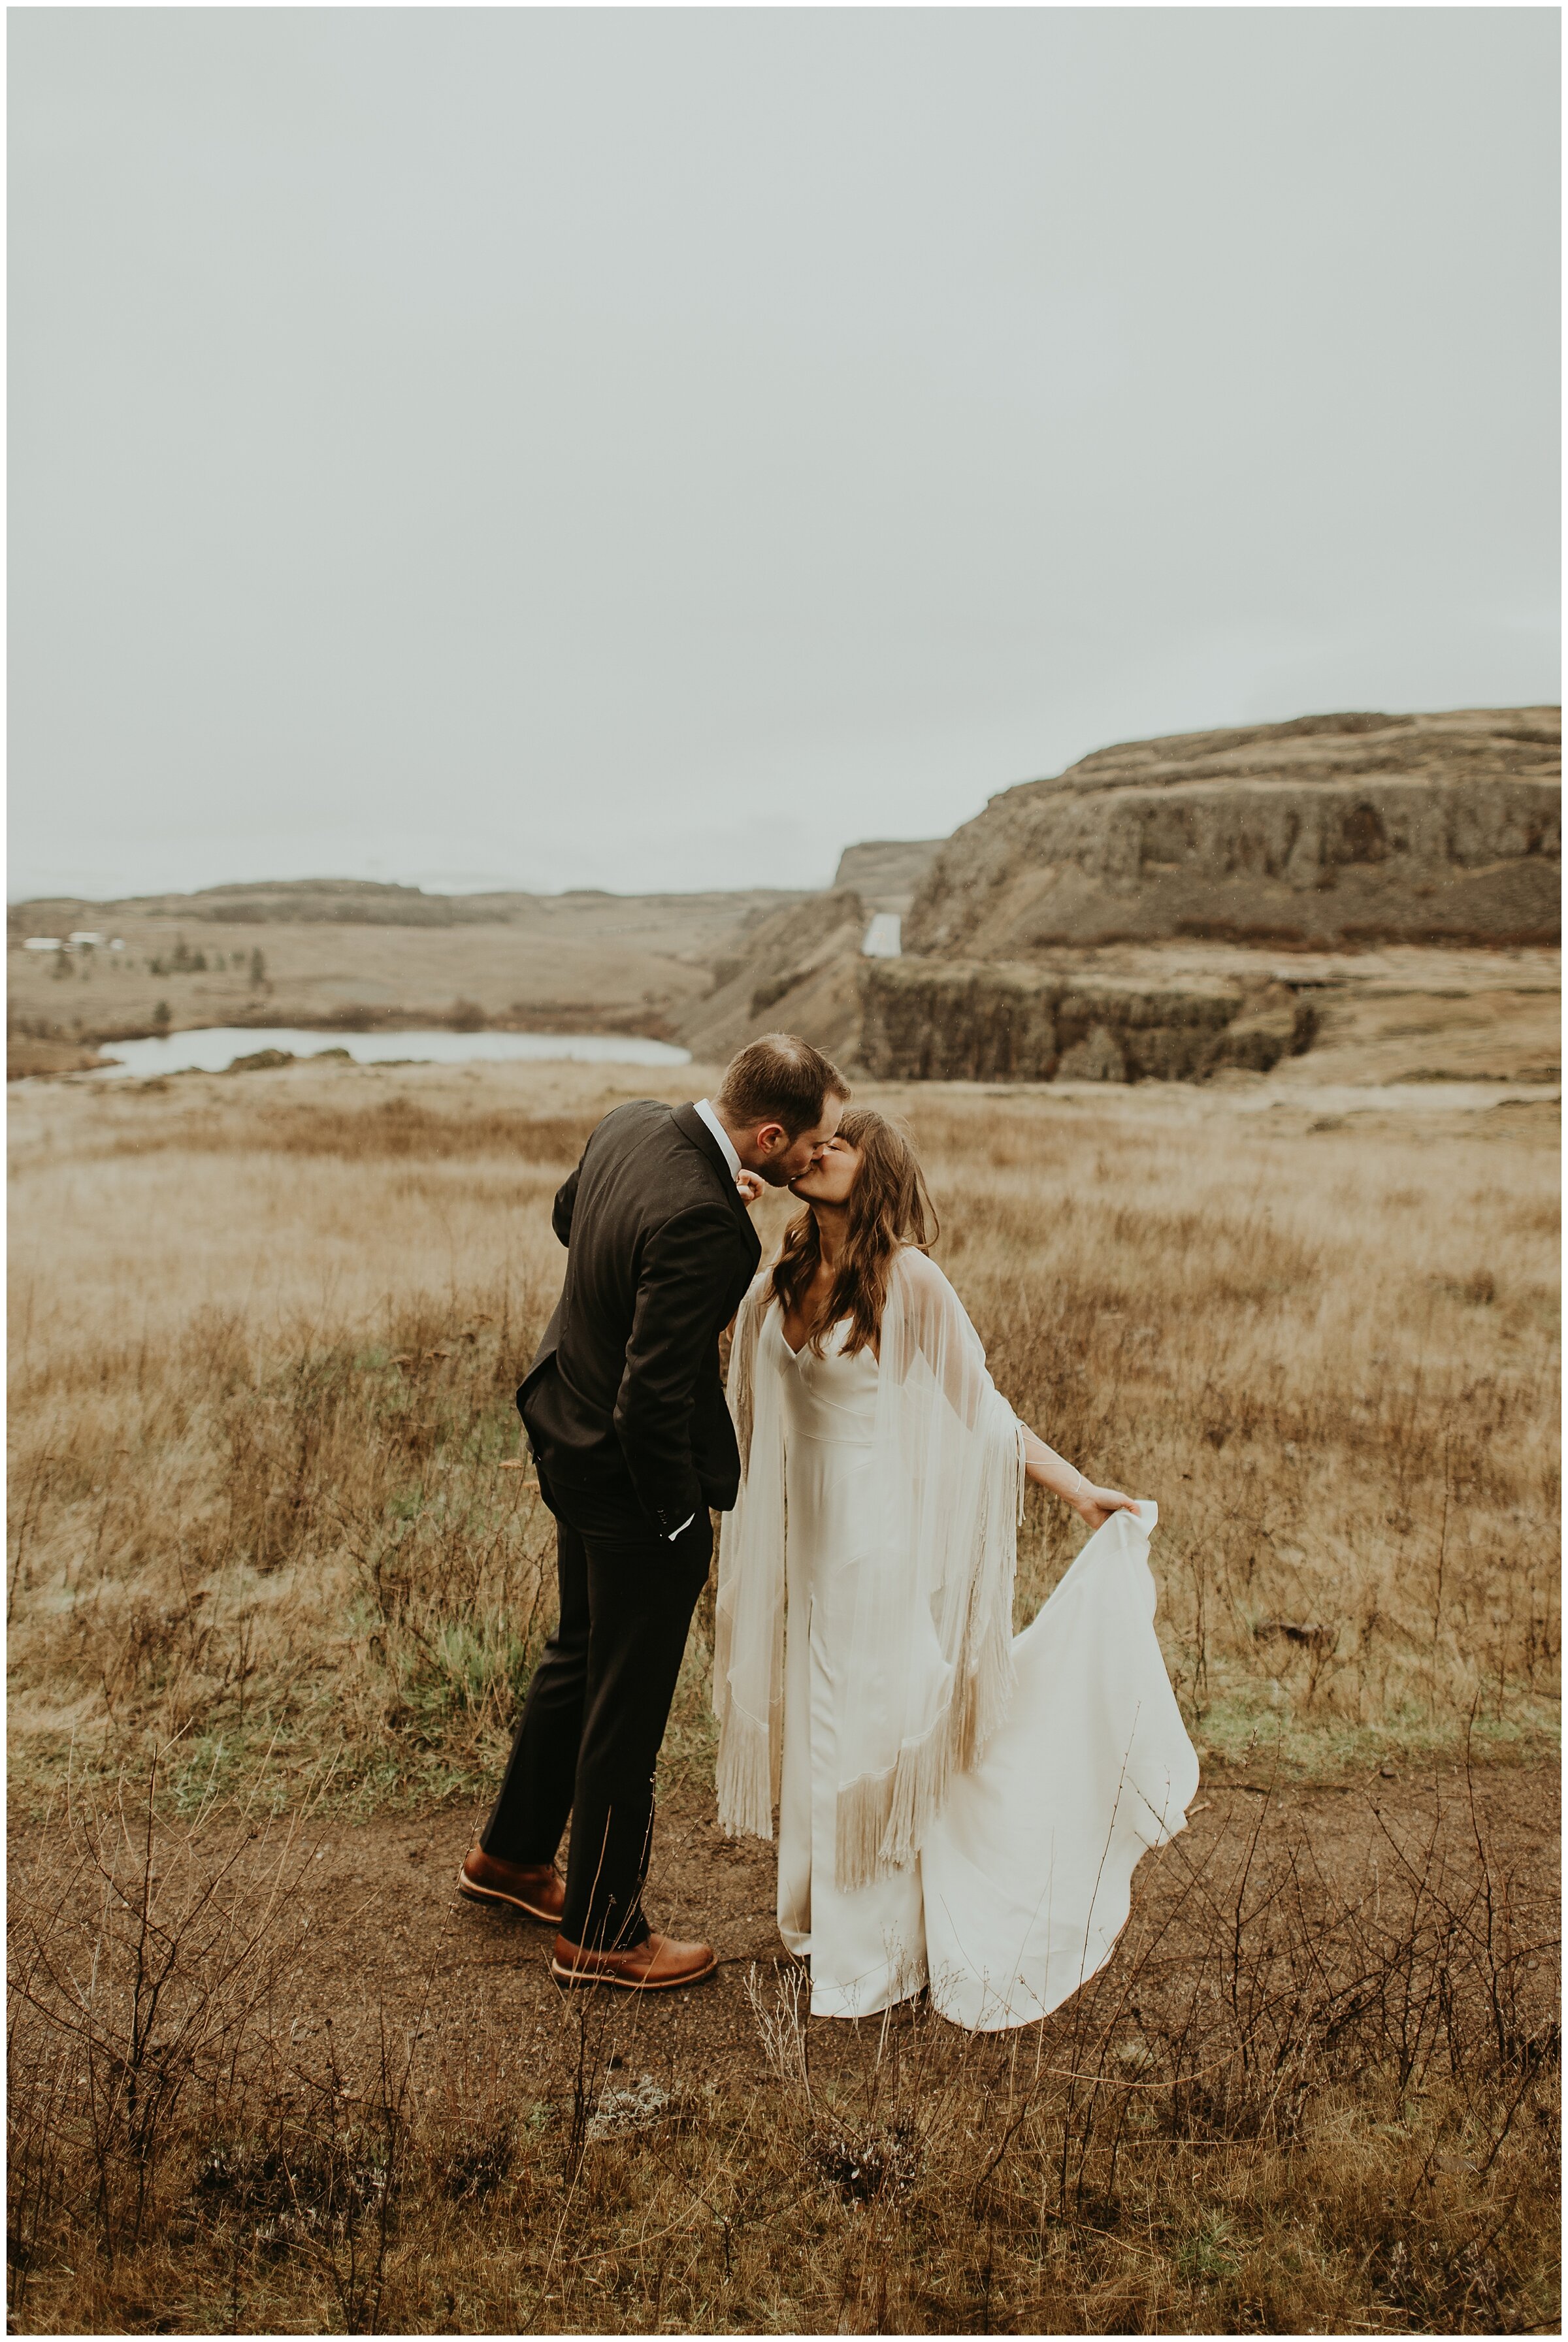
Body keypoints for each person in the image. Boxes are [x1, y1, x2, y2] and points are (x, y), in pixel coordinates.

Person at [713, 1108, 1199, 2029]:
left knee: (868, 1721)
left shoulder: (909, 1280)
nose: (815, 1153)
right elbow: (731, 1355)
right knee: (827, 1723)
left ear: (878, 1171)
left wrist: (1082, 1492)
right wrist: (715, 1203)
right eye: (813, 1143)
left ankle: (877, 1957)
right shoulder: (785, 1269)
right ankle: (833, 1921)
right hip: (815, 1543)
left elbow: (986, 1414)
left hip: (876, 1541)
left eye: (839, 1145)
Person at [459, 1034, 849, 1990]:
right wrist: (679, 1517)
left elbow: (570, 1217)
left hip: (561, 1425)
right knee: (626, 1703)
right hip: (628, 1480)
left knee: (578, 1651)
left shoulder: (634, 1123)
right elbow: (652, 1398)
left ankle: (510, 1857)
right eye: (811, 1143)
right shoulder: (711, 1228)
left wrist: (702, 1208)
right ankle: (601, 1929)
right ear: (768, 1134)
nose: (814, 1159)